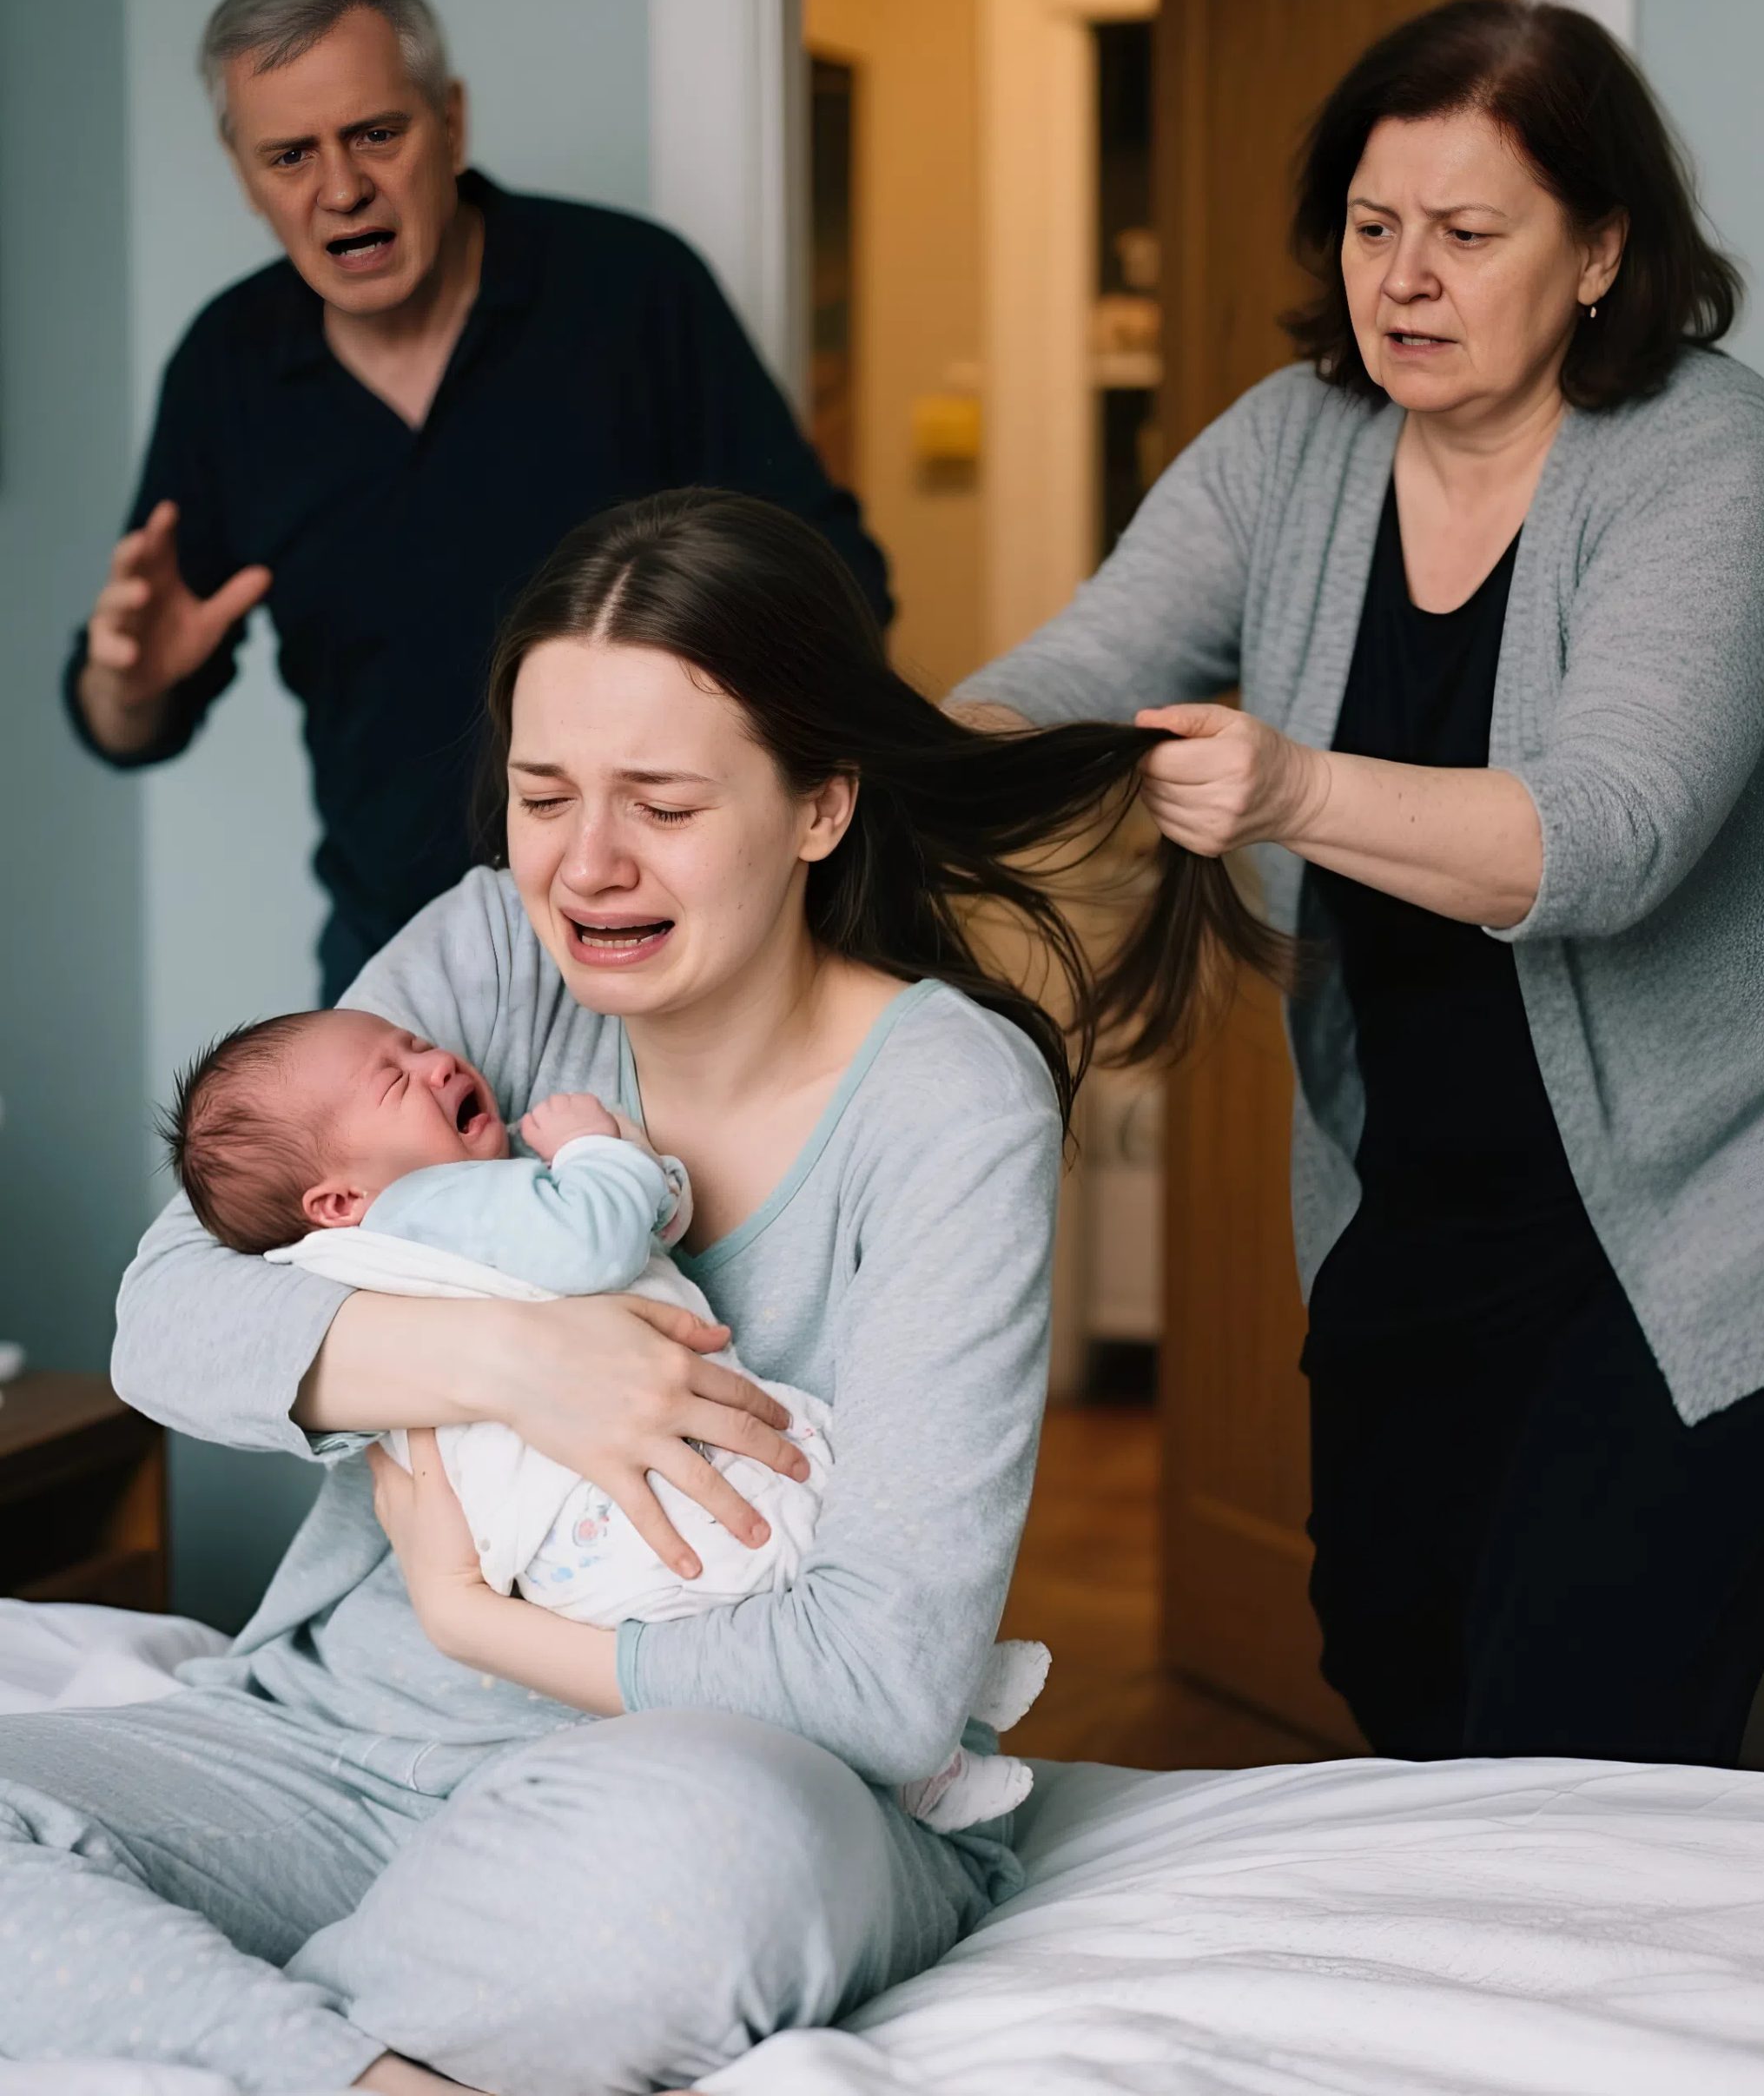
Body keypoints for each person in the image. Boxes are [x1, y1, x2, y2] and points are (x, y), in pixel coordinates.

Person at [0, 489, 1275, 2090]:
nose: (584, 869)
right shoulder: (493, 948)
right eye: (542, 797)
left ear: (820, 806)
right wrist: (515, 1365)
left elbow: (878, 1689)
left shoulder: (944, 1100)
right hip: (332, 1752)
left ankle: (229, 2014)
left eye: (660, 805)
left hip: (693, 1776)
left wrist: (470, 1615)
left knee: (704, 1866)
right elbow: (166, 1322)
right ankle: (374, 2062)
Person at [954, 0, 1764, 1769]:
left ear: (1599, 251)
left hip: (1698, 1233)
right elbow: (1086, 656)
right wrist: (884, 761)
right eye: (1369, 226)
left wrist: (1290, 785)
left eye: (1468, 234)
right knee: (1399, 1685)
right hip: (1409, 1215)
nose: (1403, 279)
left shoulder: (1707, 452)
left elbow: (1611, 832)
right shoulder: (1293, 444)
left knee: (1578, 1754)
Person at [63, 0, 891, 1003]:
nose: (340, 187)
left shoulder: (633, 293)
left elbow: (840, 587)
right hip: (401, 964)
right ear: (243, 173)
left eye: (375, 133)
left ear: (450, 122)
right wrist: (128, 688)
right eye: (289, 154)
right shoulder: (226, 367)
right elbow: (130, 721)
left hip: (679, 938)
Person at [161, 1005, 1047, 1835]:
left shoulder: (395, 1228)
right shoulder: (426, 1210)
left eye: (412, 1044)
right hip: (619, 1509)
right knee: (797, 1521)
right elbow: (595, 1240)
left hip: (578, 1548)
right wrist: (592, 1147)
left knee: (789, 1556)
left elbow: (635, 1227)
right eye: (394, 1082)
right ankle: (931, 1746)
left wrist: (635, 1180)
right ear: (338, 1200)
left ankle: (937, 1704)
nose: (433, 1063)